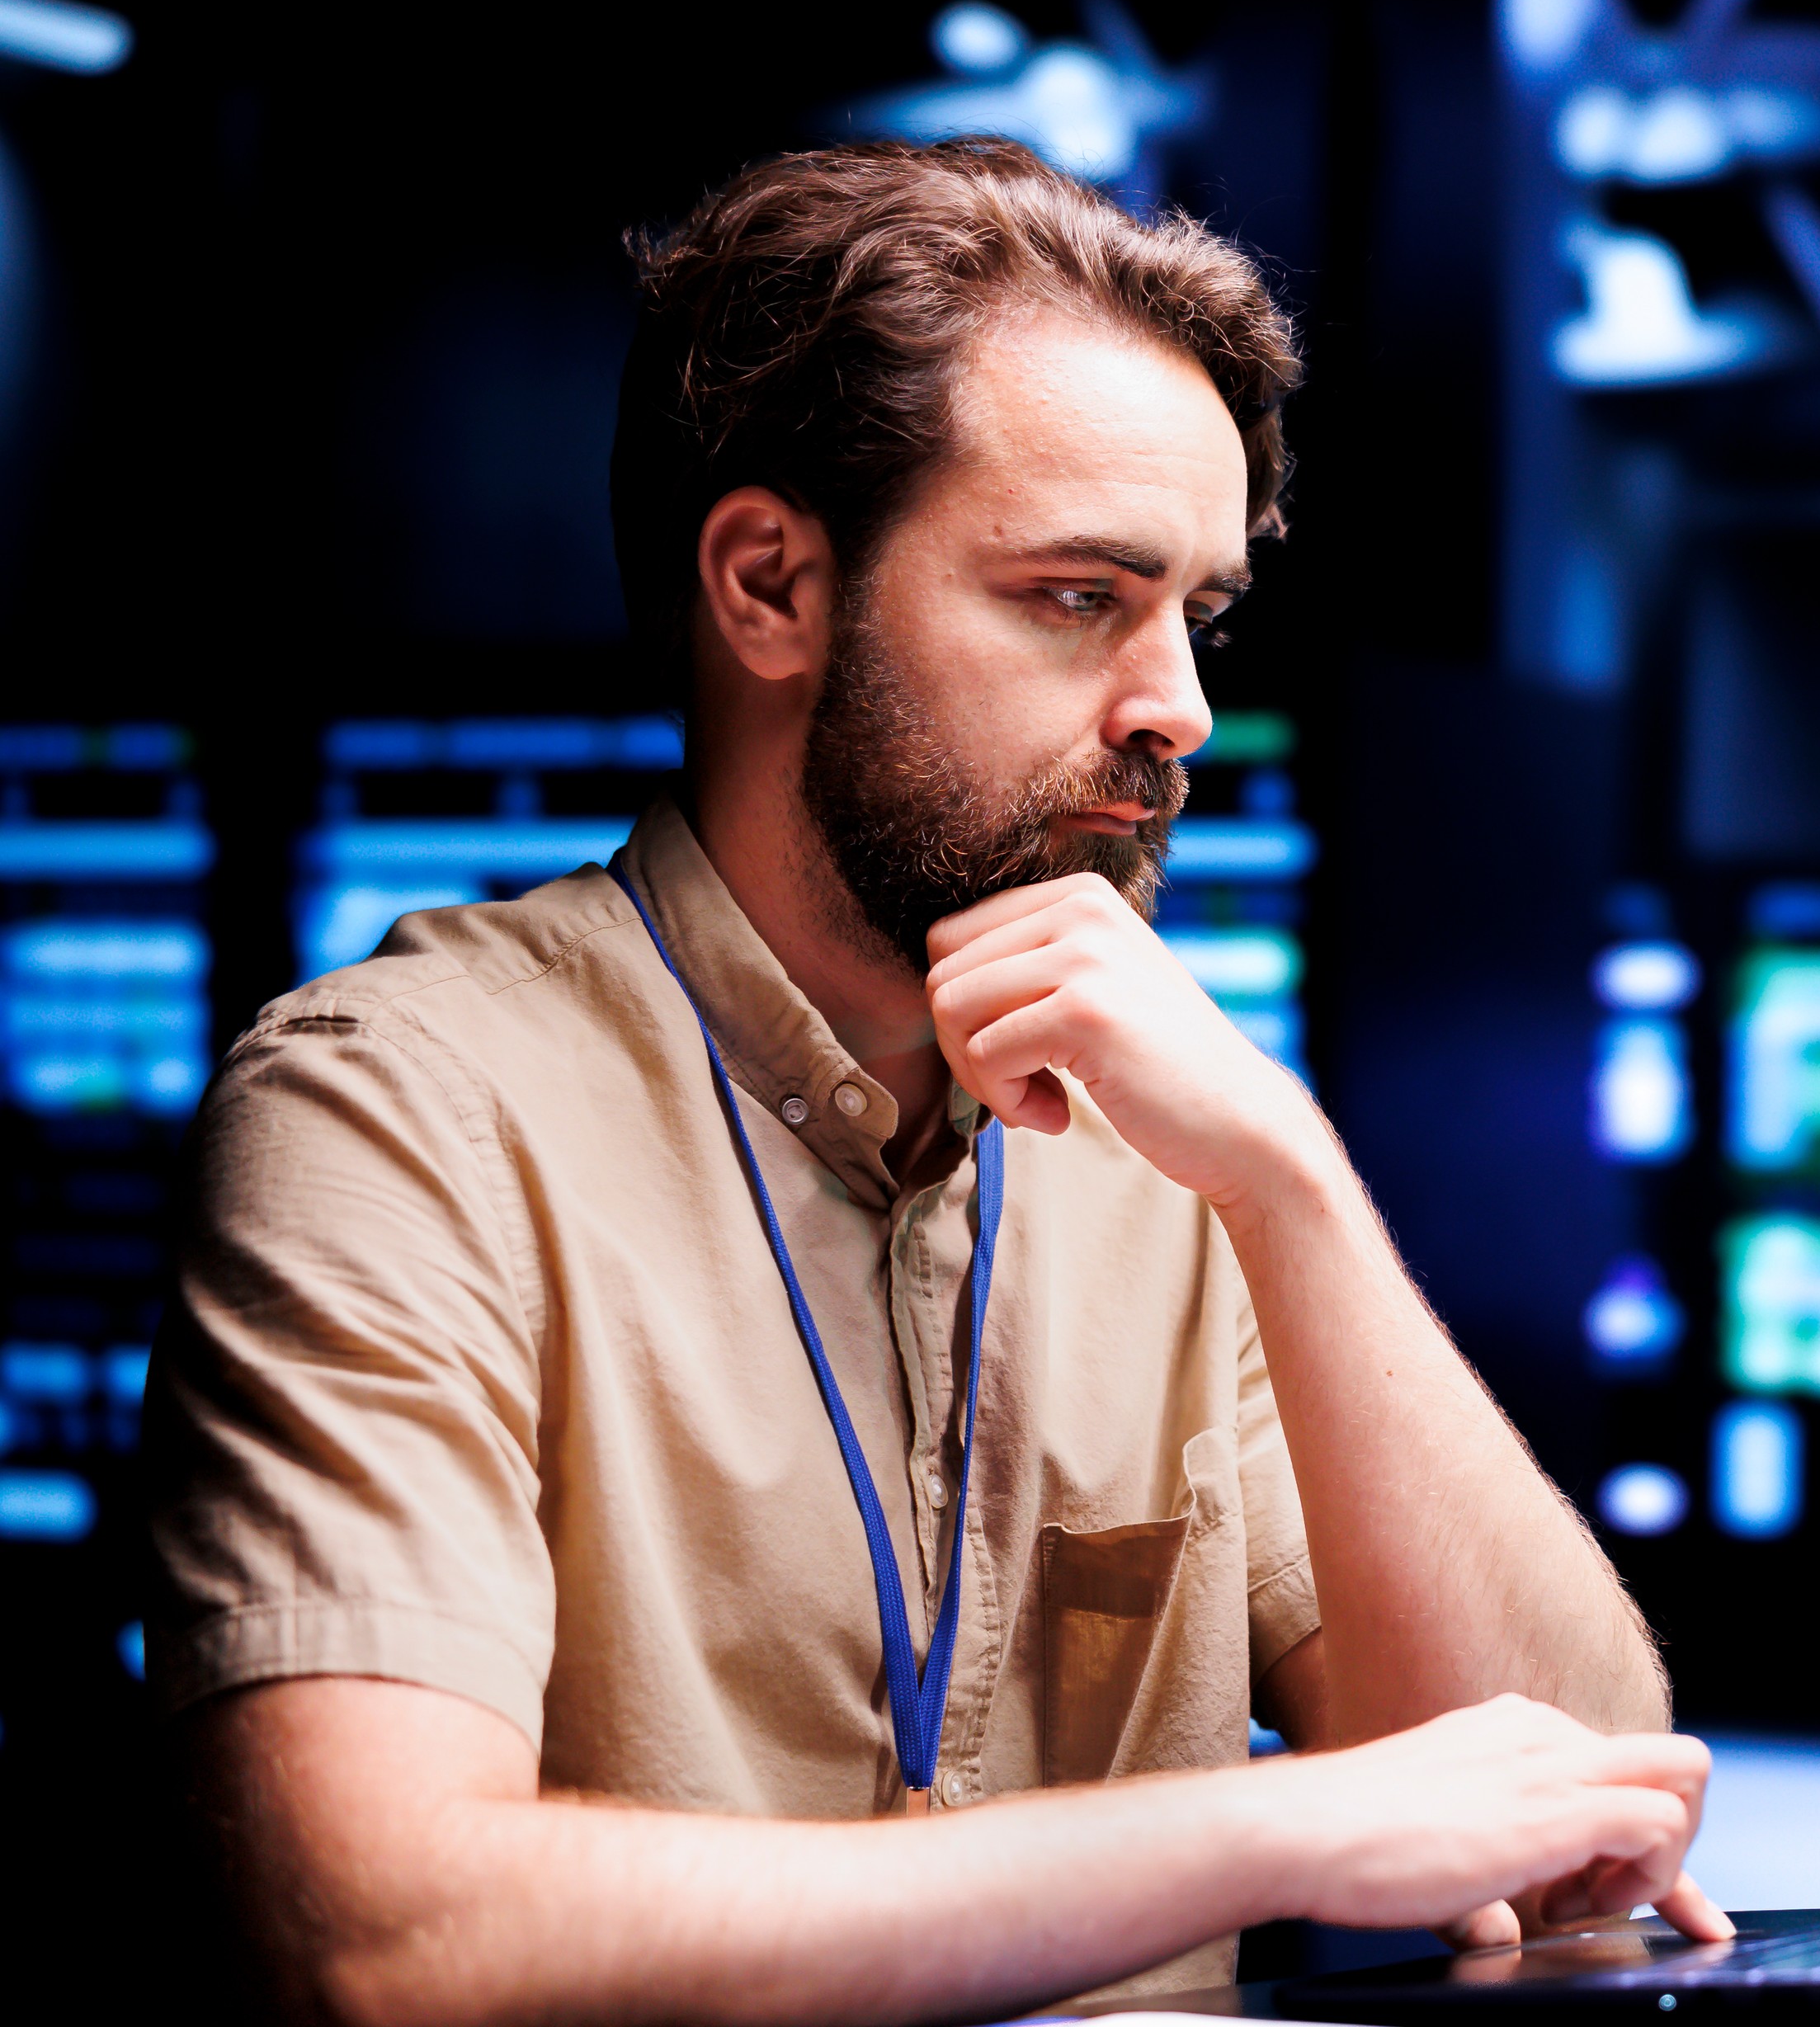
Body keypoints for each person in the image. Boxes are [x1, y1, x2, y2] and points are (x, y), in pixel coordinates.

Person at [144, 135, 1726, 2027]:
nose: (1180, 706)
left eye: (1201, 613)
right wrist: (1271, 1827)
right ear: (770, 584)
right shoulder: (398, 1116)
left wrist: (1290, 1184)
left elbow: (1585, 1810)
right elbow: (385, 1929)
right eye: (1079, 595)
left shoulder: (1172, 1158)